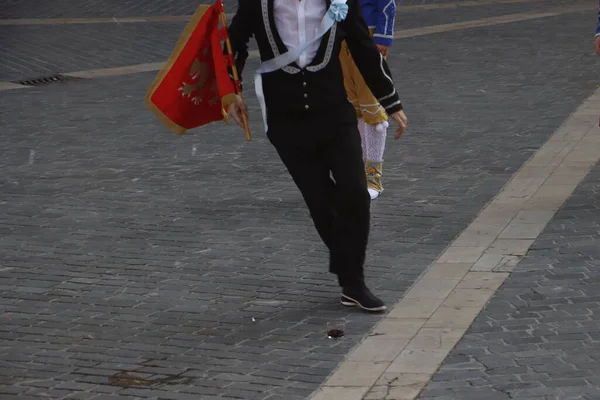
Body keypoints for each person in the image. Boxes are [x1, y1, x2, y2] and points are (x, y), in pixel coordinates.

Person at [224, 0, 407, 312]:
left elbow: (362, 45)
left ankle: (353, 279)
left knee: (355, 193)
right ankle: (351, 281)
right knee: (321, 202)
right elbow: (234, 43)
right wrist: (231, 90)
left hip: (335, 111)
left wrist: (390, 101)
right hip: (285, 119)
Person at [340, 0, 397, 200]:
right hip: (339, 37)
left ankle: (373, 177)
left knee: (371, 104)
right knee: (350, 105)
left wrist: (383, 36)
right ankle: (357, 173)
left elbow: (388, 3)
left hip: (367, 36)